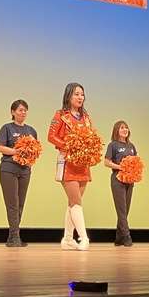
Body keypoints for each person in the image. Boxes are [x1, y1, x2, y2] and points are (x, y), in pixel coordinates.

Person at [47, 82, 95, 251]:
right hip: (67, 162)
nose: (80, 97)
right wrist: (69, 146)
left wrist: (88, 148)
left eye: (82, 94)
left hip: (82, 163)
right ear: (68, 96)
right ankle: (84, 238)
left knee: (72, 203)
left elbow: (90, 137)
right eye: (76, 94)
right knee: (76, 202)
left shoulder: (86, 117)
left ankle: (67, 239)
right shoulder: (60, 115)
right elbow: (51, 136)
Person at [0, 99, 39, 247]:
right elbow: (0, 147)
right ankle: (15, 236)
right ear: (13, 112)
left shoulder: (31, 131)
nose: (23, 112)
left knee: (20, 203)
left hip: (25, 170)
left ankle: (12, 237)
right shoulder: (7, 128)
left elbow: (35, 150)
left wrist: (30, 156)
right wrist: (16, 151)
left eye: (25, 110)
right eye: (20, 110)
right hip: (9, 169)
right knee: (12, 203)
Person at [104, 120, 137, 247]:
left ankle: (119, 237)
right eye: (122, 127)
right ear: (116, 130)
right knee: (122, 209)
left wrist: (135, 171)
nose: (125, 129)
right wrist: (120, 167)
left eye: (126, 127)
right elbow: (106, 162)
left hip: (130, 180)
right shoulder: (113, 145)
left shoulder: (131, 146)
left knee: (125, 210)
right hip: (117, 180)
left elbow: (136, 161)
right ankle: (127, 236)